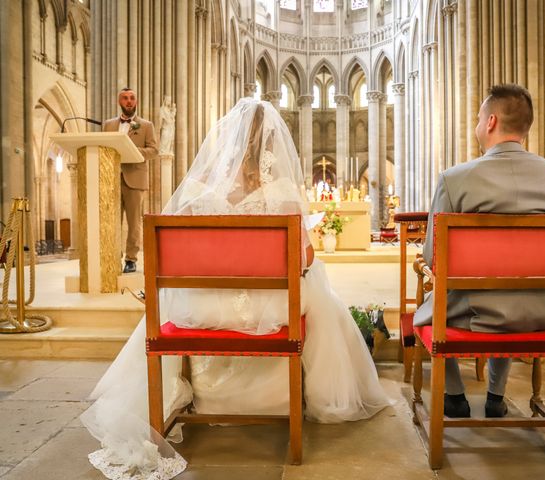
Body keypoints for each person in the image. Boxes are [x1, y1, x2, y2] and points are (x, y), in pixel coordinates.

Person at [81, 98, 391, 480]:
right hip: (272, 312)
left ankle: (193, 396)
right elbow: (305, 258)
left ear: (228, 140)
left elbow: (179, 256)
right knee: (321, 297)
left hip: (207, 309)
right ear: (275, 144)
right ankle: (301, 398)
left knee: (171, 304)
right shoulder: (283, 195)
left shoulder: (200, 193)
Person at [413, 84, 545, 419]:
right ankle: (494, 397)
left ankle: (455, 396)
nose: (475, 126)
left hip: (478, 314)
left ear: (490, 122)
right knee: (510, 284)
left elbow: (433, 259)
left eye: (476, 119)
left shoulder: (454, 179)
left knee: (435, 306)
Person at [103, 88, 158, 273]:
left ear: (136, 101)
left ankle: (131, 259)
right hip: (111, 179)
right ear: (119, 101)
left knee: (134, 223)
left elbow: (154, 150)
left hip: (135, 178)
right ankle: (112, 256)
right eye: (125, 98)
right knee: (111, 221)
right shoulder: (108, 125)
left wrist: (133, 151)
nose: (129, 101)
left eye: (132, 98)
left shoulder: (146, 125)